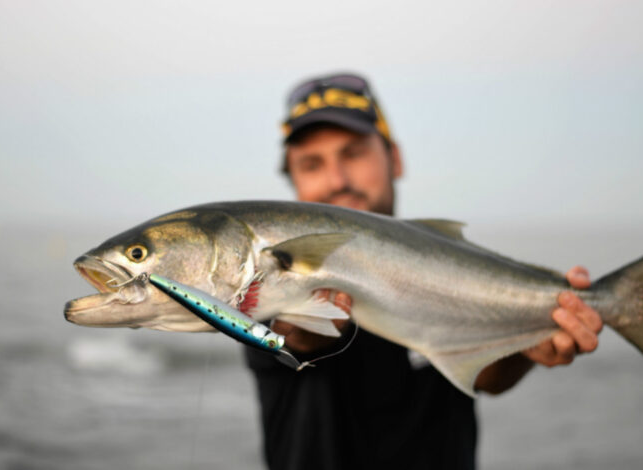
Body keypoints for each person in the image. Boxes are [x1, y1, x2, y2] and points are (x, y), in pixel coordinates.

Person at [245, 73, 603, 470]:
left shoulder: (446, 268)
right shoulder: (264, 287)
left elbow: (485, 376)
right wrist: (299, 333)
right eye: (312, 165)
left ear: (394, 159)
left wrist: (528, 341)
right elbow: (287, 340)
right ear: (293, 182)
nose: (337, 181)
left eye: (353, 153)